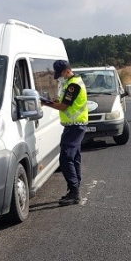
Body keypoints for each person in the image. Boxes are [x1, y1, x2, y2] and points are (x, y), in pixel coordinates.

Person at [41, 60, 88, 205]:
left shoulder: (73, 85)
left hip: (75, 125)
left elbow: (63, 107)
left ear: (67, 71)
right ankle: (74, 190)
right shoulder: (71, 82)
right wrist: (53, 100)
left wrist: (44, 103)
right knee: (74, 158)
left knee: (65, 158)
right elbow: (64, 102)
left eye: (60, 74)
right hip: (74, 125)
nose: (58, 77)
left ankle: (74, 193)